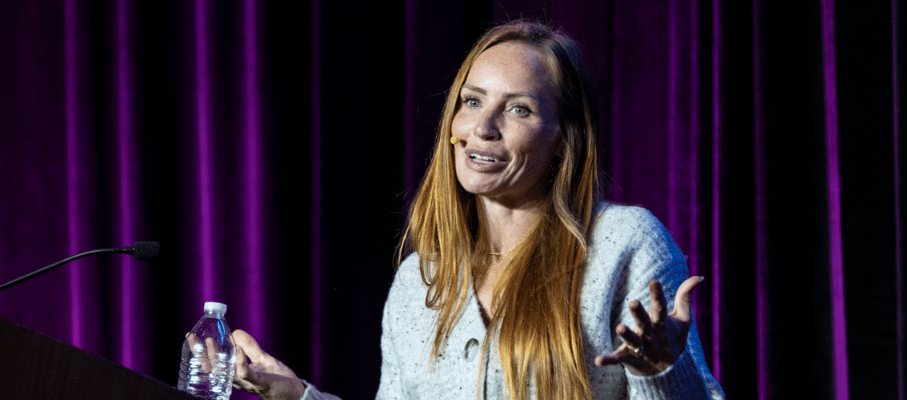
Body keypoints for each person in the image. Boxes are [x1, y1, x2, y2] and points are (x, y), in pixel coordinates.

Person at [231, 20, 725, 400]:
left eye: (518, 109)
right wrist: (299, 395)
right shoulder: (419, 281)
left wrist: (661, 371)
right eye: (472, 101)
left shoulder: (625, 243)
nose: (483, 127)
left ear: (563, 139)